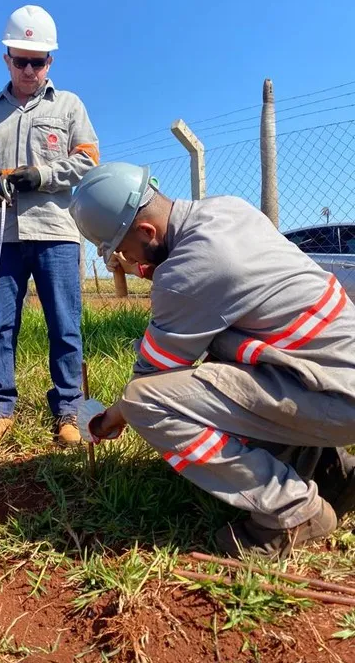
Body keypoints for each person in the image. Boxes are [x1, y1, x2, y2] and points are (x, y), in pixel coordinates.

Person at [70, 161, 355, 558]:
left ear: (147, 232)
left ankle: (292, 510)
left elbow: (152, 377)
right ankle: (331, 473)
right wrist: (153, 270)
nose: (124, 260)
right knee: (223, 365)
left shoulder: (188, 275)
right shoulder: (226, 210)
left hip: (334, 397)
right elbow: (215, 285)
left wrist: (106, 421)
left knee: (144, 401)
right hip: (331, 374)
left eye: (122, 249)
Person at [0, 5, 99, 446]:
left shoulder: (70, 106)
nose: (30, 69)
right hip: (1, 236)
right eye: (22, 61)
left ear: (50, 62)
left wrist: (43, 175)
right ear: (7, 59)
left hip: (55, 233)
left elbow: (89, 159)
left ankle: (69, 410)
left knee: (64, 324)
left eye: (39, 61)